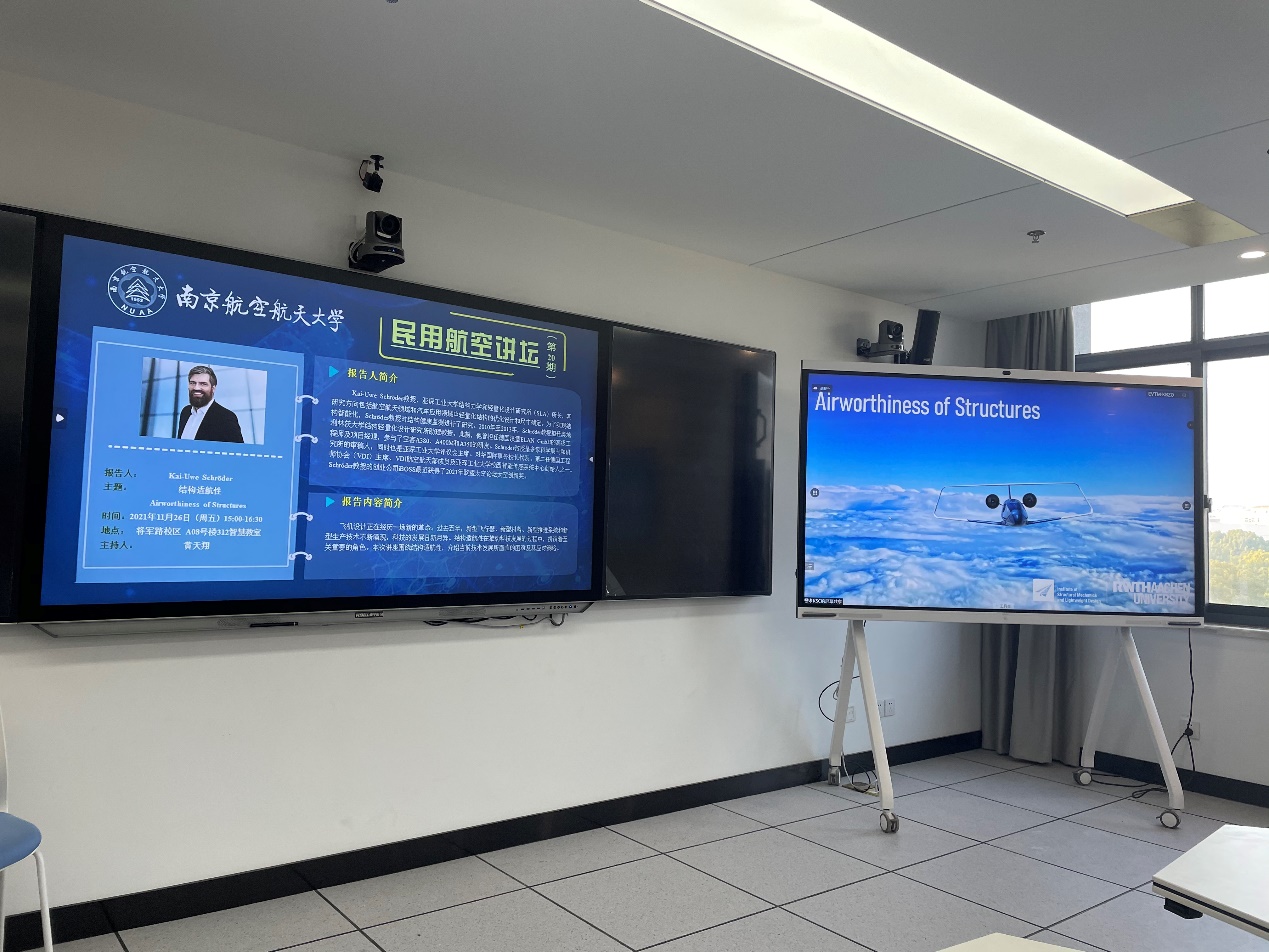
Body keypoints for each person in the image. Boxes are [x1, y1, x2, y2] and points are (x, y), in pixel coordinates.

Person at [177, 365, 244, 443]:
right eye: (192, 383)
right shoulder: (185, 412)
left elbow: (237, 449)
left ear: (213, 388)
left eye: (203, 384)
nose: (196, 388)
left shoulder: (226, 417)